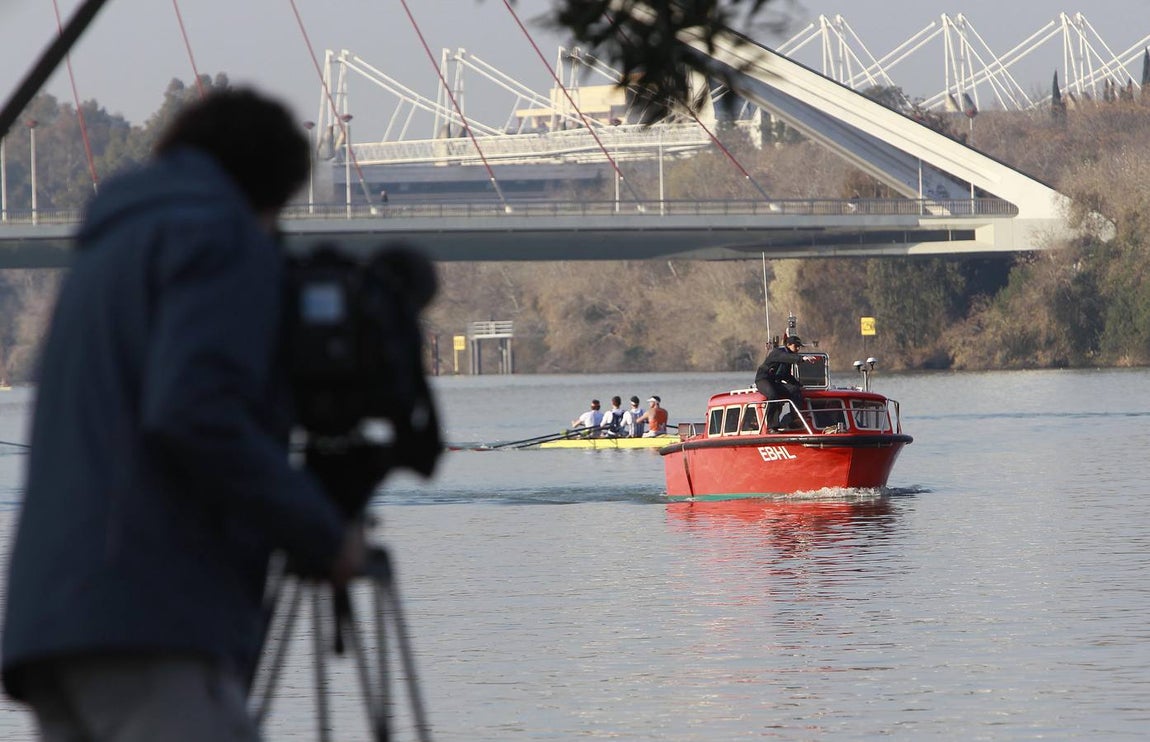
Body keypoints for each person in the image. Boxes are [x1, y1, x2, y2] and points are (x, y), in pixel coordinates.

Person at [1, 89, 364, 741]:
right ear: (268, 195)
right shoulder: (217, 235)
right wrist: (320, 530)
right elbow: (193, 411)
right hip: (150, 618)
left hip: (52, 628)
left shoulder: (110, 247)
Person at [755, 335, 818, 431]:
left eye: (799, 346)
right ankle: (772, 426)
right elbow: (785, 357)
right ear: (788, 345)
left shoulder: (789, 359)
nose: (798, 349)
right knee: (773, 395)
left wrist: (798, 385)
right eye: (796, 346)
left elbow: (786, 375)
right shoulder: (778, 353)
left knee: (794, 390)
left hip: (775, 382)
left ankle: (796, 418)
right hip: (763, 380)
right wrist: (802, 359)